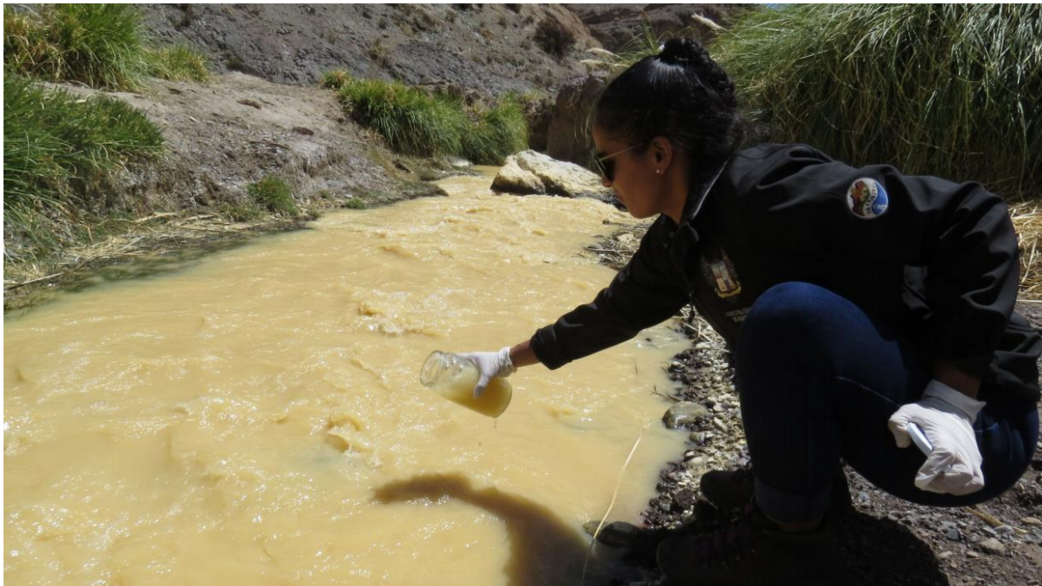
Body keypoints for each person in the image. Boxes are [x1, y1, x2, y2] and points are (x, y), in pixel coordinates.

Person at [462, 37, 1041, 585]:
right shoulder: (677, 237)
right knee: (766, 331)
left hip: (967, 437)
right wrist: (504, 361)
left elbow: (975, 216)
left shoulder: (774, 192)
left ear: (659, 154)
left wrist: (954, 394)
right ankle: (800, 494)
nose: (603, 180)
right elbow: (610, 315)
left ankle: (785, 546)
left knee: (784, 316)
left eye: (606, 163)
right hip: (892, 419)